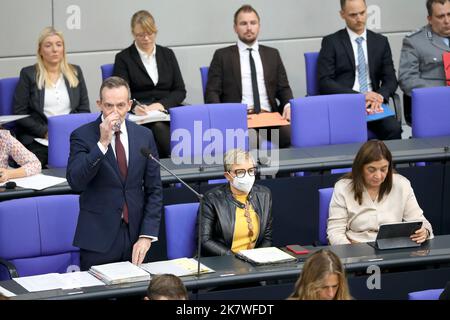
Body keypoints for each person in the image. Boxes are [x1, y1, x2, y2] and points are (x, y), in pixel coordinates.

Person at [67, 77, 162, 271]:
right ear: (99, 105)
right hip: (98, 238)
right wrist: (102, 143)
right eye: (109, 105)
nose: (115, 112)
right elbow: (76, 182)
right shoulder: (82, 136)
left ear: (129, 105)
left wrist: (146, 235)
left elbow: (154, 190)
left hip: (137, 236)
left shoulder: (144, 135)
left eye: (120, 105)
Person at [204, 5, 293, 148]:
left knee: (291, 135)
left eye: (253, 23)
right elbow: (212, 92)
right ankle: (256, 171)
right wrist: (222, 116)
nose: (249, 28)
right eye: (243, 23)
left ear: (259, 26)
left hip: (269, 117)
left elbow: (283, 88)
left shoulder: (272, 54)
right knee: (252, 140)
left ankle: (283, 171)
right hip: (240, 120)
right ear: (235, 28)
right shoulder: (222, 56)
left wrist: (288, 105)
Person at [317, 0, 402, 140]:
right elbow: (324, 82)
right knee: (347, 135)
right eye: (353, 15)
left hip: (373, 106)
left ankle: (386, 163)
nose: (359, 18)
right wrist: (359, 96)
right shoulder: (331, 42)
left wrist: (380, 96)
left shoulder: (380, 42)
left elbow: (390, 79)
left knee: (393, 129)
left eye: (362, 13)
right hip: (345, 105)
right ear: (342, 14)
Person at [327, 140, 434, 245]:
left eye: (383, 169)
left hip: (392, 249)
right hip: (355, 249)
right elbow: (335, 232)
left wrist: (425, 232)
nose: (378, 176)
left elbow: (422, 223)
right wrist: (351, 250)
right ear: (360, 168)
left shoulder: (402, 184)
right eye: (371, 169)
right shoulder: (343, 187)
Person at [13, 26, 90, 167]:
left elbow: (84, 110)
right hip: (39, 139)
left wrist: (70, 131)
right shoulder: (28, 74)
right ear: (40, 50)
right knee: (36, 167)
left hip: (70, 136)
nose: (55, 49)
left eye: (58, 45)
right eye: (48, 45)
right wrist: (45, 132)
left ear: (63, 49)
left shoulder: (75, 71)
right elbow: (19, 113)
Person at [113, 10, 186, 158]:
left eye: (150, 33)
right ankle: (178, 167)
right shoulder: (123, 58)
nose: (146, 38)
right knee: (157, 129)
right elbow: (120, 94)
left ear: (155, 31)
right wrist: (134, 107)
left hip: (167, 112)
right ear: (133, 33)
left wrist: (160, 105)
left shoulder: (168, 54)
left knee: (166, 127)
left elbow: (180, 90)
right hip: (142, 116)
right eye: (140, 35)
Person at [200, 148, 272, 256]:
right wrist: (235, 258)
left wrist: (255, 258)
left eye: (251, 170)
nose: (247, 176)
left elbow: (267, 237)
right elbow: (205, 240)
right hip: (224, 261)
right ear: (228, 176)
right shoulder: (212, 199)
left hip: (254, 262)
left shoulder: (264, 195)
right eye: (240, 172)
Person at [398, 0, 450, 125]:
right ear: (430, 19)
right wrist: (441, 94)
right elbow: (407, 79)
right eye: (441, 16)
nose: (447, 21)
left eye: (449, 14)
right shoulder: (415, 41)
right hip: (434, 104)